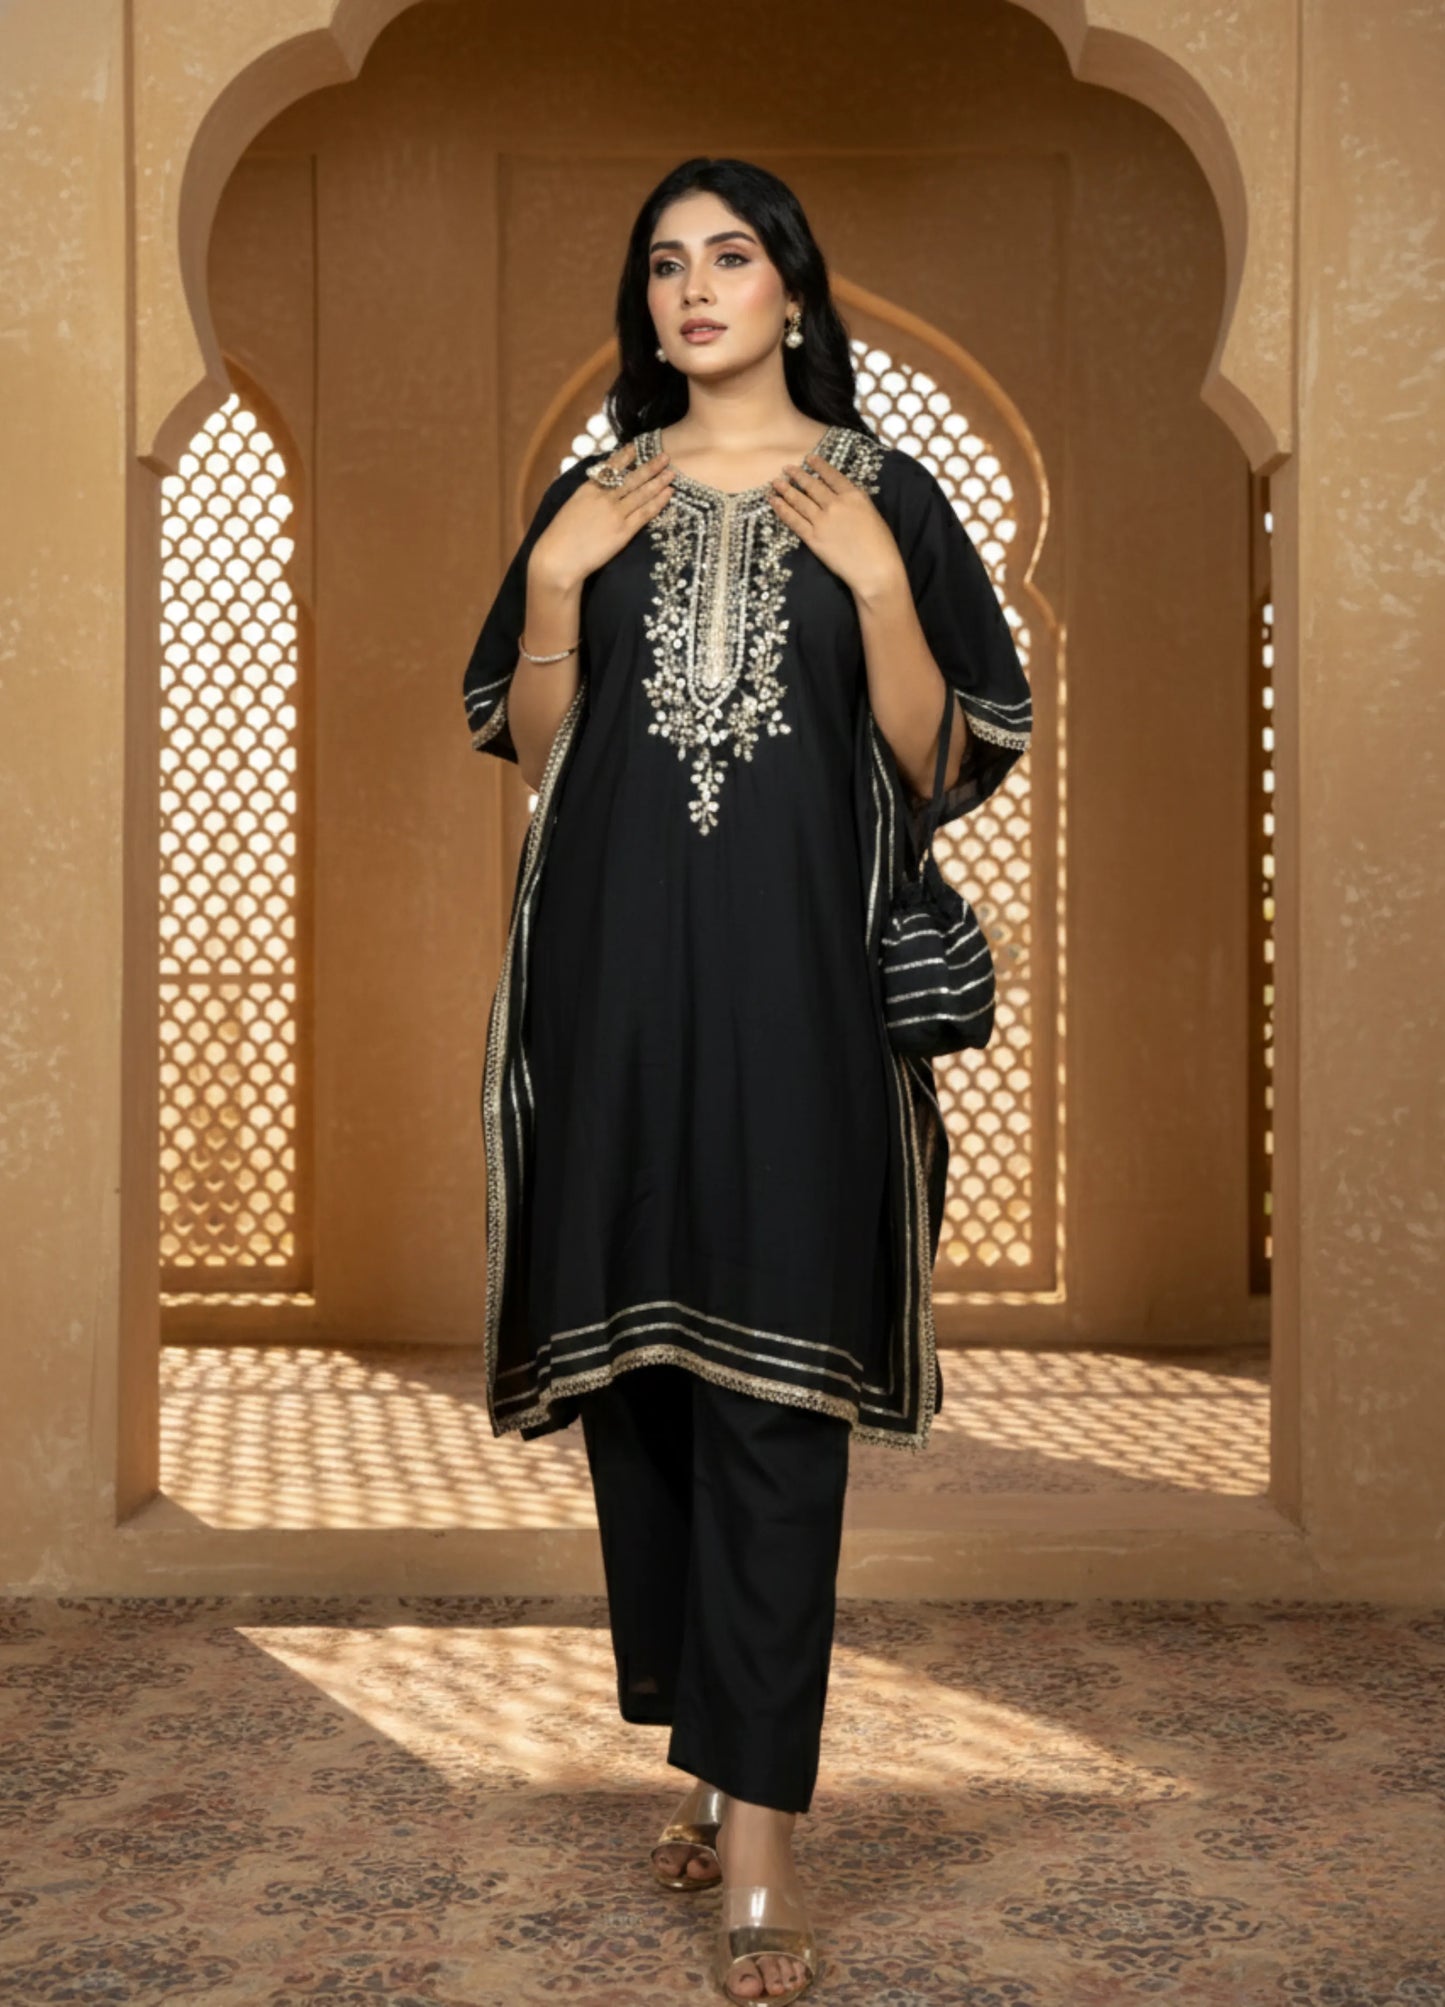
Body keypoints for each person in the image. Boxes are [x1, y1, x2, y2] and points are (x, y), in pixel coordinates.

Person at [462, 157, 1032, 2004]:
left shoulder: (889, 498)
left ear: (792, 288)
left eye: (729, 256)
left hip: (797, 1009)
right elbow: (540, 752)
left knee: (775, 1407)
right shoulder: (593, 501)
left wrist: (875, 590)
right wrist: (557, 578)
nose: (691, 288)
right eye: (661, 264)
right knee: (646, 1391)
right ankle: (715, 1754)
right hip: (611, 1000)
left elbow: (947, 760)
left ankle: (763, 1844)